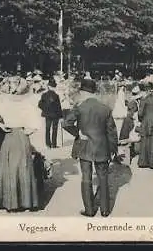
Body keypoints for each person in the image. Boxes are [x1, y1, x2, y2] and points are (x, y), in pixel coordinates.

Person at [0, 75, 41, 212]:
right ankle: (27, 202)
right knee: (24, 167)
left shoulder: (3, 101)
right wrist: (28, 131)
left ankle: (12, 203)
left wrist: (1, 125)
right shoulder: (27, 102)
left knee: (9, 168)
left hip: (9, 136)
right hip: (21, 136)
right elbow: (37, 122)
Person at [62, 79, 118, 217]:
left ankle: (89, 209)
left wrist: (78, 133)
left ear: (82, 92)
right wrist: (113, 150)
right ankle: (105, 210)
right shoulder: (105, 108)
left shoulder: (79, 107)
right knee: (103, 178)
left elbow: (65, 123)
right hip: (102, 147)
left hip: (85, 146)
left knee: (86, 177)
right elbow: (112, 132)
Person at [38, 79, 63, 149]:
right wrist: (61, 116)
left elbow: (39, 105)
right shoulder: (56, 96)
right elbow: (58, 107)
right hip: (55, 115)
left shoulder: (44, 95)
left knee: (47, 129)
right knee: (55, 129)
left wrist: (45, 109)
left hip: (47, 114)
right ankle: (54, 144)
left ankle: (48, 144)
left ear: (48, 87)